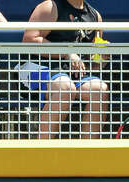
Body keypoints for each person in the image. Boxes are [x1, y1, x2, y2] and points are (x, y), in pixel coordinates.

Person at [21, 0, 110, 139]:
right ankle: (40, 152)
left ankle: (87, 153)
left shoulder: (95, 16)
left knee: (100, 90)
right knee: (65, 87)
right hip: (38, 68)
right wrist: (66, 53)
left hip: (72, 75)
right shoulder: (50, 7)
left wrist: (103, 57)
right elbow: (29, 41)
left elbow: (93, 64)